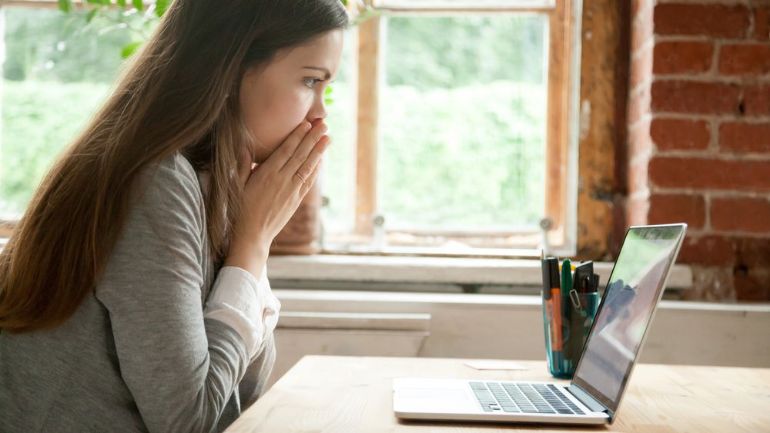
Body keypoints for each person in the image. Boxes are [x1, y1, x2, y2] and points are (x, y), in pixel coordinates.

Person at [0, 1, 347, 431]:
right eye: (311, 80)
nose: (320, 114)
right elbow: (192, 422)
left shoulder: (206, 185)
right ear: (232, 67)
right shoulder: (156, 182)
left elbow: (237, 402)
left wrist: (245, 243)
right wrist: (251, 247)